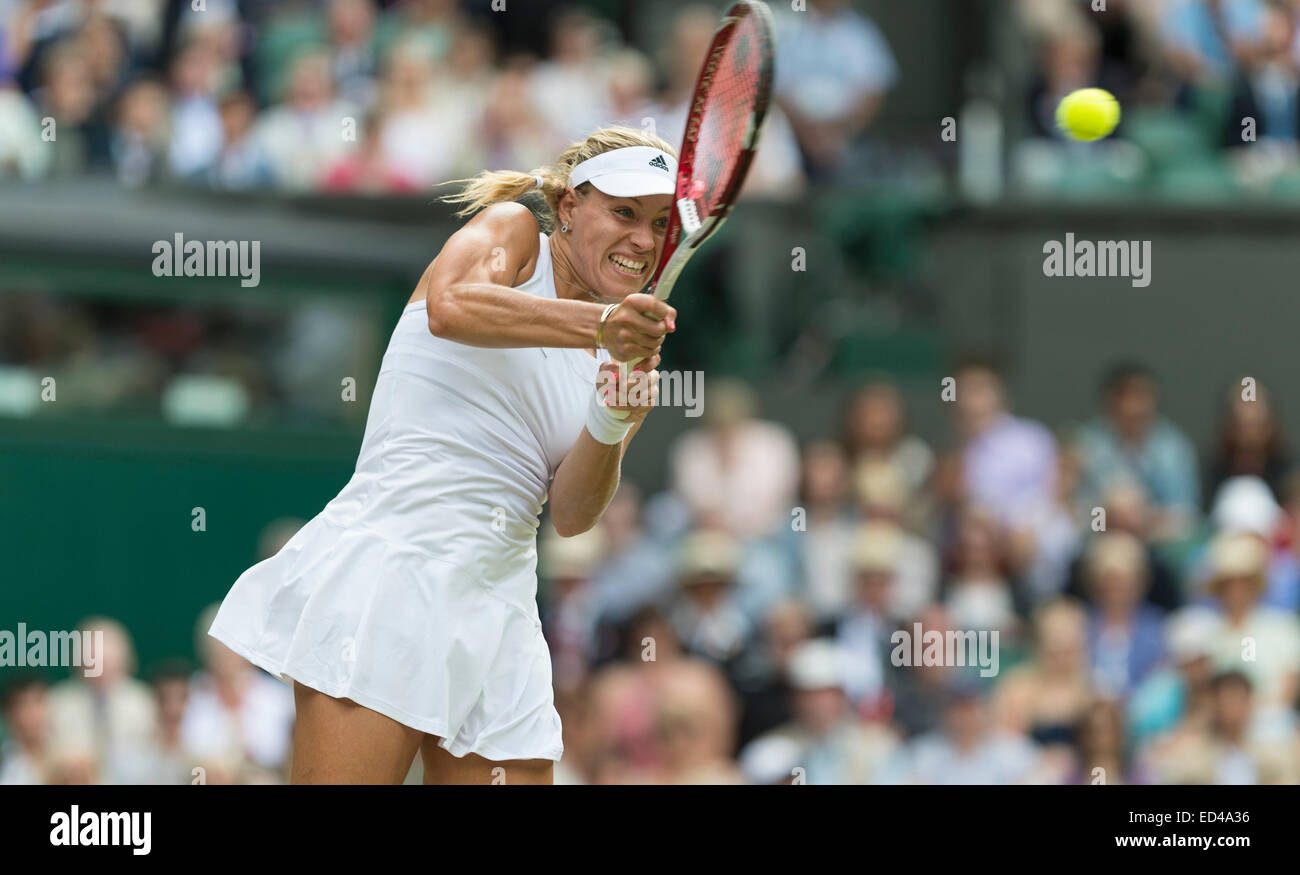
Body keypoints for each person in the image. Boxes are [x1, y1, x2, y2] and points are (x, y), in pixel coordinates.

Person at [208, 125, 678, 784]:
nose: (641, 238)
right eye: (623, 212)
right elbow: (451, 306)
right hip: (393, 579)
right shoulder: (513, 233)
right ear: (569, 208)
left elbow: (572, 514)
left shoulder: (624, 356)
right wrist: (599, 324)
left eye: (658, 223)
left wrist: (612, 412)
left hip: (503, 613)